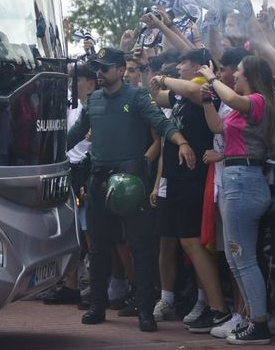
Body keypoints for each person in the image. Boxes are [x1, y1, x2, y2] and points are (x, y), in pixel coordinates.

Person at [67, 47, 196, 332]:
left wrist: (183, 143)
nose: (99, 73)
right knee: (99, 248)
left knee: (141, 248)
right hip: (98, 181)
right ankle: (97, 306)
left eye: (106, 68)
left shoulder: (136, 97)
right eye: (97, 68)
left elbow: (161, 123)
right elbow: (75, 134)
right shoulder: (94, 100)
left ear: (121, 71)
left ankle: (145, 311)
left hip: (131, 183)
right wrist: (47, 155)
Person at [148, 48, 232, 334]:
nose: (179, 67)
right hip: (175, 177)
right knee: (183, 242)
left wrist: (163, 78)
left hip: (193, 176)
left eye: (183, 63)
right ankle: (209, 305)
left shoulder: (206, 90)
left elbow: (191, 92)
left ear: (197, 68)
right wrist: (152, 84)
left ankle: (218, 308)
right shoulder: (181, 95)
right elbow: (154, 99)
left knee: (193, 242)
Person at [198, 55, 275, 344]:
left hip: (244, 181)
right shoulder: (241, 104)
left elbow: (231, 99)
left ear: (252, 76)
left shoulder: (257, 100)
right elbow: (218, 128)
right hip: (238, 179)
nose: (236, 77)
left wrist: (212, 79)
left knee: (243, 259)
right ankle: (252, 318)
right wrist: (207, 100)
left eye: (240, 73)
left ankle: (259, 323)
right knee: (236, 259)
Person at [44, 62, 99, 305]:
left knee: (90, 234)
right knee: (71, 231)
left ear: (91, 82)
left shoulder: (96, 105)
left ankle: (99, 286)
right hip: (68, 170)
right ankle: (70, 285)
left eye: (76, 80)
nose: (71, 85)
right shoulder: (71, 105)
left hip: (87, 171)